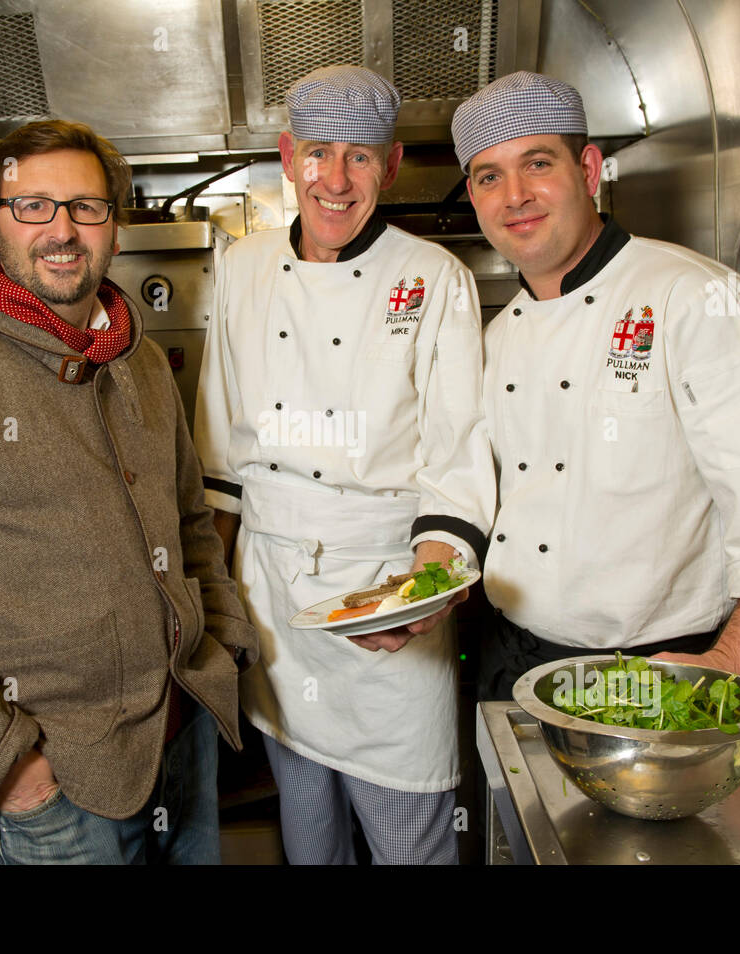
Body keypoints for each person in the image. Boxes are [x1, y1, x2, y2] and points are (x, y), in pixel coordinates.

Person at [0, 120, 256, 865]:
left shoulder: (144, 364)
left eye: (86, 207)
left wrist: (223, 648)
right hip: (58, 789)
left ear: (115, 230)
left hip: (182, 743)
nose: (61, 229)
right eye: (32, 206)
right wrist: (1, 764)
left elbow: (193, 525)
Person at [450, 72, 740, 701]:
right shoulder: (499, 335)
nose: (515, 196)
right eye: (489, 176)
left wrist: (729, 662)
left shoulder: (695, 298)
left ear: (589, 169)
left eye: (537, 163)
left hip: (660, 670)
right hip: (511, 659)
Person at [194, 65, 496, 864]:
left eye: (359, 157)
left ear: (390, 166)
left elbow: (458, 457)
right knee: (308, 832)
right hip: (275, 594)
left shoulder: (434, 279)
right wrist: (218, 611)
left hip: (383, 594)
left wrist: (423, 591)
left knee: (410, 841)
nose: (336, 179)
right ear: (289, 157)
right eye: (319, 153)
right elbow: (219, 452)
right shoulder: (243, 267)